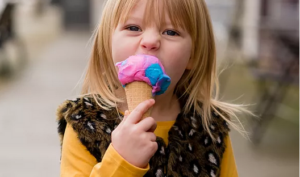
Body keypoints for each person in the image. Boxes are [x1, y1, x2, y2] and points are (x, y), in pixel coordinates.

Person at [57, 0, 250, 176]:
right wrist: (122, 161)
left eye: (171, 32)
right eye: (133, 27)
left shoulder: (211, 127)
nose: (150, 41)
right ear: (108, 44)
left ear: (193, 55)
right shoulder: (83, 122)